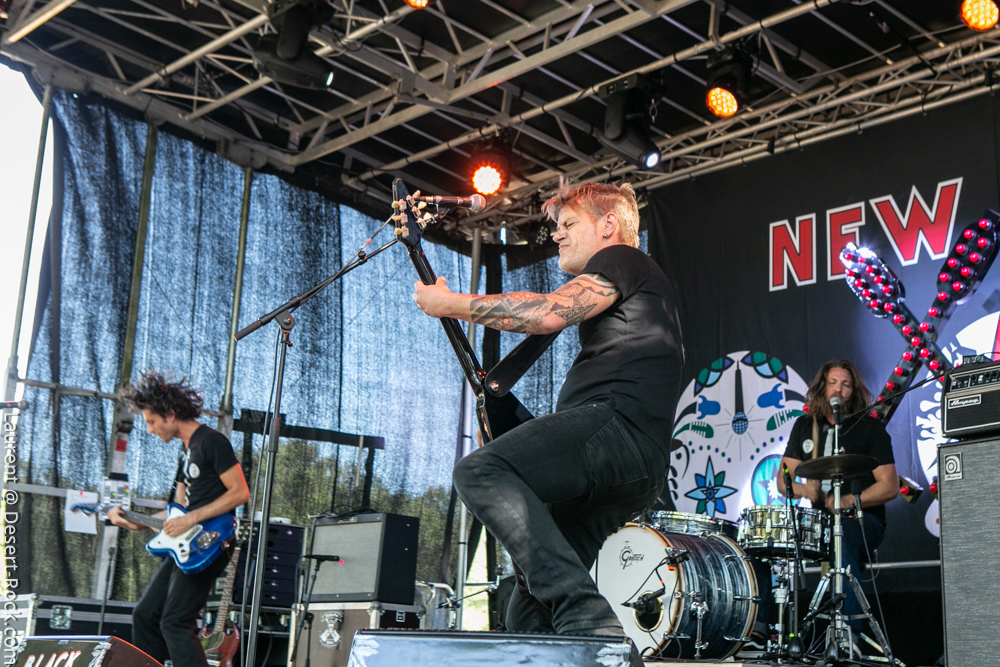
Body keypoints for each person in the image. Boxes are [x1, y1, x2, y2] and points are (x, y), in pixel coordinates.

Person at [412, 181, 684, 644]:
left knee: (480, 471)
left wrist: (450, 304)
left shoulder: (622, 258)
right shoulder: (638, 282)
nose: (557, 234)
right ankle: (596, 645)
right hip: (630, 460)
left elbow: (547, 314)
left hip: (616, 431)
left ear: (609, 225)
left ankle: (590, 616)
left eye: (570, 224)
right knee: (530, 613)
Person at [110, 370, 250, 667]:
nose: (150, 430)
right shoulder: (185, 452)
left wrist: (190, 519)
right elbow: (179, 508)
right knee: (145, 614)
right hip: (187, 543)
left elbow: (240, 492)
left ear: (170, 415)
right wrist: (137, 521)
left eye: (151, 421)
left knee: (175, 621)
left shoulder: (212, 442)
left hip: (210, 541)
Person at [777, 360, 898, 638]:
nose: (838, 390)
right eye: (832, 383)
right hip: (820, 523)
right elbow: (783, 481)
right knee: (766, 545)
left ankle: (847, 633)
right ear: (822, 387)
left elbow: (889, 486)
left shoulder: (870, 429)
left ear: (853, 391)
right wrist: (808, 491)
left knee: (840, 538)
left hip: (863, 521)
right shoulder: (805, 426)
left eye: (845, 384)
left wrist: (847, 501)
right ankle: (764, 634)